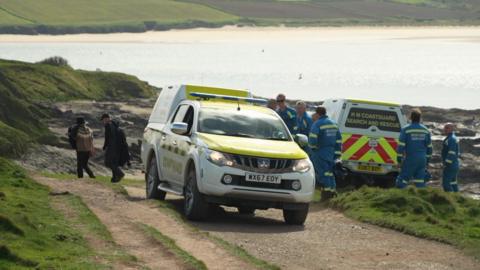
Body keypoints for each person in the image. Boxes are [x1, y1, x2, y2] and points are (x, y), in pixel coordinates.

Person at [308, 107, 342, 200]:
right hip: (331, 153)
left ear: (318, 114)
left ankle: (326, 195)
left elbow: (312, 139)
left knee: (323, 174)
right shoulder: (334, 123)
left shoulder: (318, 124)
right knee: (330, 173)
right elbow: (338, 140)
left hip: (320, 152)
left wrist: (313, 148)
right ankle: (332, 191)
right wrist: (337, 154)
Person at [396, 109, 433, 188]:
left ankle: (398, 197)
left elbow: (401, 146)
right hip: (422, 160)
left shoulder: (406, 129)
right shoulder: (426, 130)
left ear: (410, 118)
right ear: (420, 118)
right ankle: (420, 197)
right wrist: (427, 160)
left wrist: (399, 158)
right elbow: (430, 148)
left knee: (402, 180)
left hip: (411, 159)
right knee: (420, 182)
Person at [101, 113, 130, 183]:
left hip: (112, 147)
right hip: (118, 147)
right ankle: (114, 179)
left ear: (106, 118)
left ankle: (120, 174)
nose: (103, 122)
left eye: (103, 120)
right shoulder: (114, 124)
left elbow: (107, 138)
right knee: (114, 163)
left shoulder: (108, 125)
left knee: (108, 162)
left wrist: (104, 146)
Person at [441, 123, 460, 192]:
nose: (445, 129)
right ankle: (457, 198)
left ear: (452, 129)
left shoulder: (451, 139)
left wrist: (446, 163)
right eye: (445, 127)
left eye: (447, 128)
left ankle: (450, 199)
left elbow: (452, 152)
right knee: (453, 182)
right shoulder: (450, 138)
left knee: (446, 184)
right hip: (454, 164)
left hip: (451, 165)